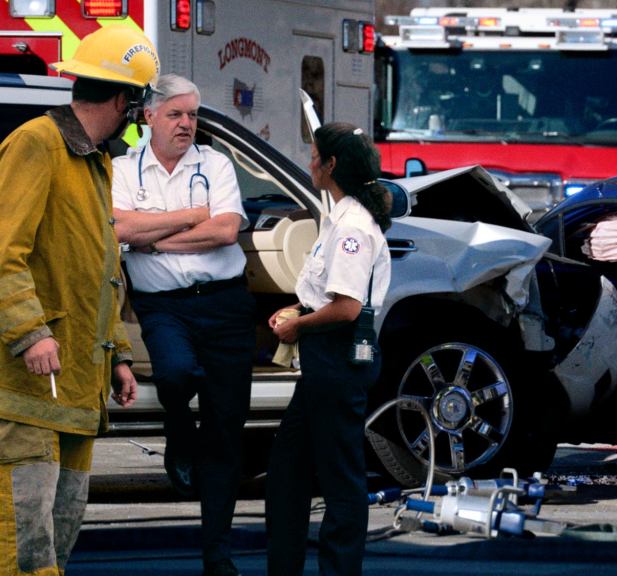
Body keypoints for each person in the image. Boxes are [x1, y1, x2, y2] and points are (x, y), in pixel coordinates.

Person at [0, 26, 158, 575]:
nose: (141, 118)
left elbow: (97, 266)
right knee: (23, 549)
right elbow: (3, 251)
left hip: (75, 391)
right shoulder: (36, 144)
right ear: (124, 99)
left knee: (57, 544)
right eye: (140, 104)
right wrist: (30, 331)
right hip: (27, 396)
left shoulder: (95, 160)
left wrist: (117, 352)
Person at [111, 74, 255, 576]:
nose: (186, 124)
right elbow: (120, 228)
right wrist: (191, 217)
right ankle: (177, 430)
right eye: (175, 114)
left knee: (225, 431)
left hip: (225, 306)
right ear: (148, 117)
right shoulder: (123, 170)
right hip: (163, 308)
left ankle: (217, 554)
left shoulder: (215, 164)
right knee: (174, 375)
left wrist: (153, 239)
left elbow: (225, 230)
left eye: (192, 115)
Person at [265, 123, 392, 575]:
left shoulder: (352, 226)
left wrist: (299, 324)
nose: (309, 162)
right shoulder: (338, 217)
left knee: (341, 480)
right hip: (323, 362)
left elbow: (347, 307)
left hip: (338, 357)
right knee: (286, 473)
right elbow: (327, 294)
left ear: (332, 165)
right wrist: (298, 306)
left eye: (314, 155)